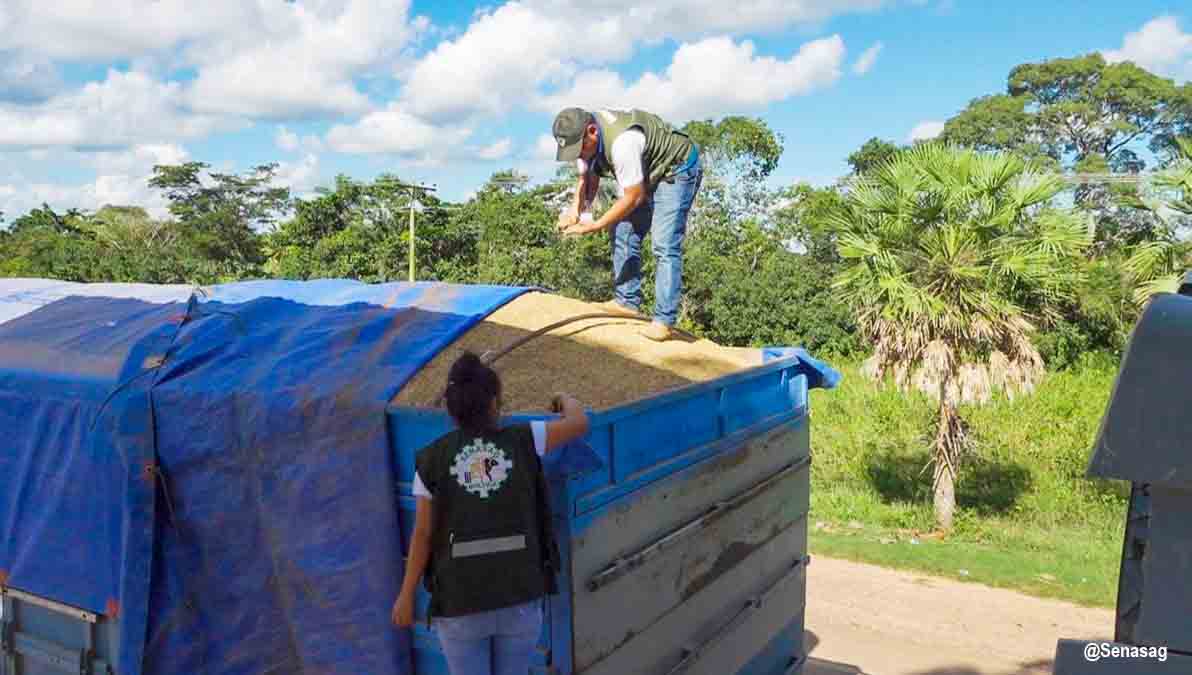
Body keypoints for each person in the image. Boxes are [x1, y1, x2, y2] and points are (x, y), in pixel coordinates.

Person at [391, 351, 590, 675]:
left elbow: (423, 535)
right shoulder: (525, 438)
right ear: (495, 403)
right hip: (518, 597)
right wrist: (564, 398)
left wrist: (405, 595)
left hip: (460, 604)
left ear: (452, 408)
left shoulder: (431, 460)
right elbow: (579, 423)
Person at [552, 107, 704, 342]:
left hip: (676, 169)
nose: (577, 155)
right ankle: (627, 301)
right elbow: (587, 178)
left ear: (592, 132)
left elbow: (634, 197)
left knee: (664, 244)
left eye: (579, 149)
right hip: (646, 172)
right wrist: (576, 211)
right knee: (622, 229)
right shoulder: (584, 143)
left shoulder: (623, 143)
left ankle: (664, 321)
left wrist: (595, 225)